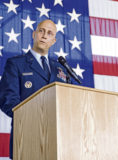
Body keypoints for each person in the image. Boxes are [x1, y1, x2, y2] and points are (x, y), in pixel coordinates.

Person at [0, 19, 69, 159]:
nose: (44, 35)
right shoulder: (16, 64)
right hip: (27, 137)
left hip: (59, 141)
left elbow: (68, 102)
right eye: (41, 31)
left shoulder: (61, 68)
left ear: (54, 41)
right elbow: (7, 100)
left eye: (49, 33)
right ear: (34, 34)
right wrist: (37, 117)